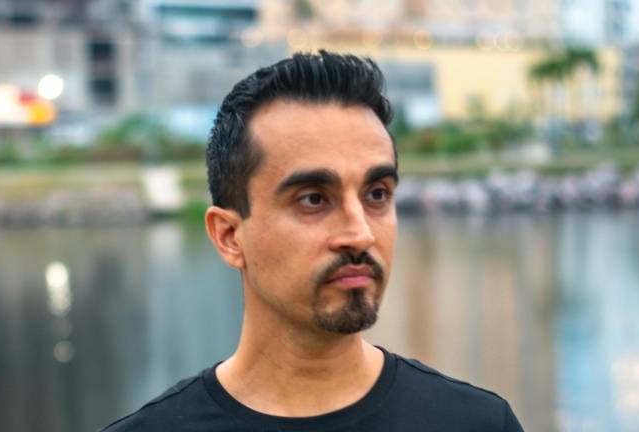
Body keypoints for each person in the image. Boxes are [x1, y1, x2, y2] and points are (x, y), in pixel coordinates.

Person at [102, 50, 524, 431]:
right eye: (314, 199)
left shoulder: (479, 423)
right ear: (229, 237)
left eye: (377, 194)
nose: (360, 234)